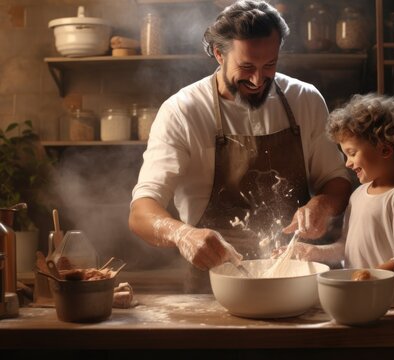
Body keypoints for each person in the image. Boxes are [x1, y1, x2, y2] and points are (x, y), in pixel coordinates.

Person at [129, 0, 351, 293]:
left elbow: (337, 181)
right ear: (219, 54)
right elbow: (142, 212)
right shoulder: (182, 112)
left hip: (293, 277)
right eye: (246, 67)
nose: (258, 80)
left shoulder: (305, 100)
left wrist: (321, 205)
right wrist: (182, 234)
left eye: (269, 65)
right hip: (214, 285)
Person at [289, 93, 394, 307]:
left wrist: (368, 275)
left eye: (352, 153)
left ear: (385, 149)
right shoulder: (357, 196)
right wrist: (314, 252)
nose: (347, 163)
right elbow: (347, 246)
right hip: (367, 295)